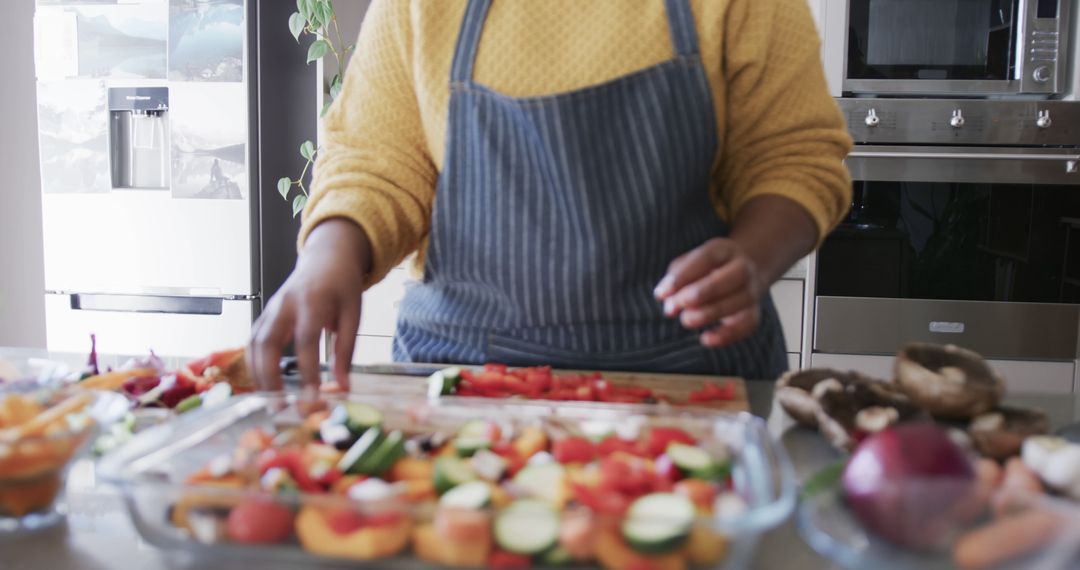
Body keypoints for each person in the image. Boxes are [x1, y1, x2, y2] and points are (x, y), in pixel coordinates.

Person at [249, 0, 853, 390]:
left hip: (690, 384)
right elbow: (376, 160)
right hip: (462, 381)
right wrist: (329, 256)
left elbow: (793, 156)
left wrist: (753, 257)